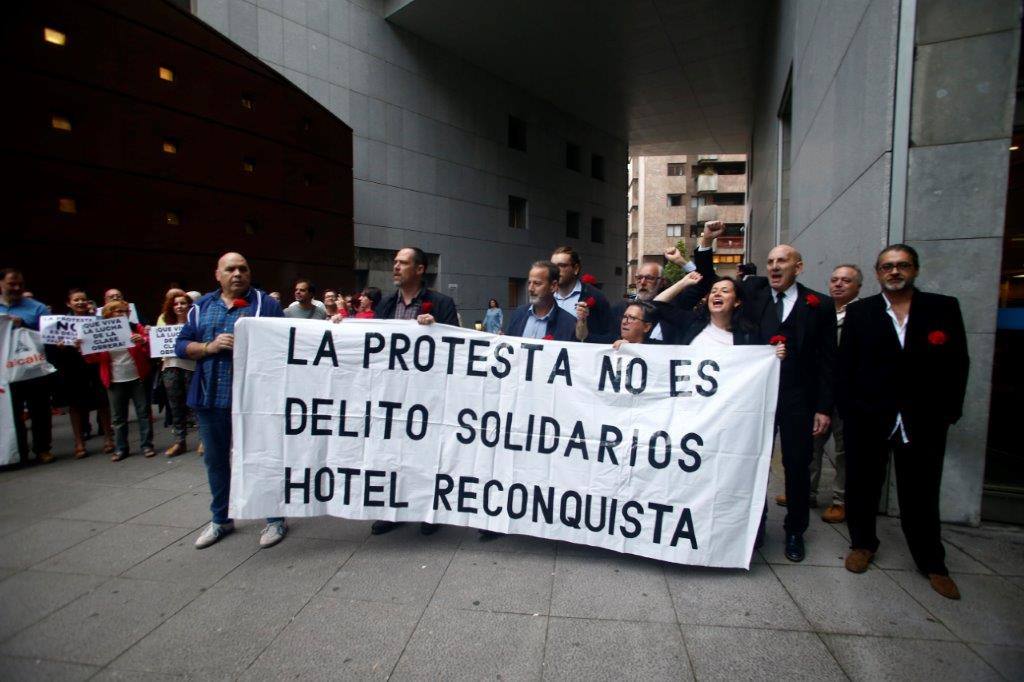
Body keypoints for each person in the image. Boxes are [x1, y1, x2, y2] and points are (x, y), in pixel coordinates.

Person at [840, 245, 969, 600]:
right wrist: (850, 410)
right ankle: (862, 544)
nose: (894, 272)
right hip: (869, 416)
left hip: (923, 418)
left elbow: (958, 363)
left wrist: (949, 412)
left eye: (901, 266)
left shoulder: (943, 308)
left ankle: (932, 563)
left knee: (922, 491)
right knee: (862, 485)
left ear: (914, 269)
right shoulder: (861, 312)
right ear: (878, 273)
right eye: (887, 267)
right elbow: (846, 365)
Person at [175, 252, 288, 549]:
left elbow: (287, 344)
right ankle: (220, 519)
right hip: (211, 399)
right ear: (218, 274)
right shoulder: (201, 307)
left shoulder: (266, 305)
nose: (237, 274)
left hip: (255, 402)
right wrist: (208, 347)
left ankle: (274, 519)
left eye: (243, 269)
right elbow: (181, 344)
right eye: (231, 269)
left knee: (263, 460)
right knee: (216, 462)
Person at [741, 245, 837, 562]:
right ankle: (756, 526)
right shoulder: (755, 297)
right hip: (759, 397)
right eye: (770, 261)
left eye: (782, 261)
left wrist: (823, 407)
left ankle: (795, 530)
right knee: (755, 463)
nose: (774, 266)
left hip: (799, 398)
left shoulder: (819, 305)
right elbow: (714, 281)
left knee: (797, 465)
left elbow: (827, 361)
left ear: (799, 266)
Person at [362, 246, 458, 536]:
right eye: (394, 262)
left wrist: (437, 328)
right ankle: (393, 510)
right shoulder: (387, 304)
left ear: (419, 269)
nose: (396, 267)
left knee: (426, 454)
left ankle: (429, 511)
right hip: (392, 393)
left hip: (425, 395)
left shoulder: (441, 303)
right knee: (392, 453)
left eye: (403, 263)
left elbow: (455, 347)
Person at [807, 264, 862, 523]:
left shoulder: (863, 314)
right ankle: (806, 491)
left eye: (846, 281)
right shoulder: (819, 310)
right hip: (819, 390)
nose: (838, 284)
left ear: (858, 287)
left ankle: (840, 500)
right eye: (834, 279)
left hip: (847, 393)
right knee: (811, 444)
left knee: (843, 449)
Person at [83, 300, 154, 461]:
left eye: (125, 311)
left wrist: (143, 341)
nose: (123, 314)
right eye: (118, 311)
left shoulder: (136, 328)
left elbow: (149, 349)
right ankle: (121, 448)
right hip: (115, 379)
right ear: (109, 314)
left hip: (137, 377)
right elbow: (92, 358)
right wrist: (84, 347)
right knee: (118, 418)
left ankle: (147, 445)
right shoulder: (100, 332)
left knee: (143, 413)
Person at [49, 288, 114, 458]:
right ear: (68, 303)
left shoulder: (98, 320)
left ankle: (108, 438)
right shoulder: (62, 324)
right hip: (73, 368)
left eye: (83, 300)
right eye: (76, 300)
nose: (80, 303)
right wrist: (61, 346)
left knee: (103, 402)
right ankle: (79, 442)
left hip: (95, 367)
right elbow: (52, 350)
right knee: (76, 405)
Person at [0, 268, 54, 464]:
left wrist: (24, 324)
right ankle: (19, 451)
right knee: (11, 412)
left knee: (39, 410)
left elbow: (50, 337)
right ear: (1, 284)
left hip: (33, 369)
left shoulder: (37, 308)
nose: (16, 288)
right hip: (5, 370)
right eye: (11, 284)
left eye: (20, 284)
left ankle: (42, 449)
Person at [158, 291, 195, 456]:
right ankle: (180, 441)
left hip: (191, 367)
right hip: (170, 368)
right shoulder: (165, 324)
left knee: (195, 404)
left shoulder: (195, 323)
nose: (179, 306)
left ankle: (203, 441)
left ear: (189, 305)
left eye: (183, 303)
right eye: (176, 304)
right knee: (175, 406)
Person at [550, 246, 612, 342]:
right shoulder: (546, 296)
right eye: (553, 266)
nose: (556, 270)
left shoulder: (595, 297)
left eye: (562, 266)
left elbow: (609, 335)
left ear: (576, 269)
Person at [506, 261, 578, 341]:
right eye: (529, 283)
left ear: (553, 286)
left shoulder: (569, 324)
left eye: (537, 283)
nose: (530, 289)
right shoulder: (518, 314)